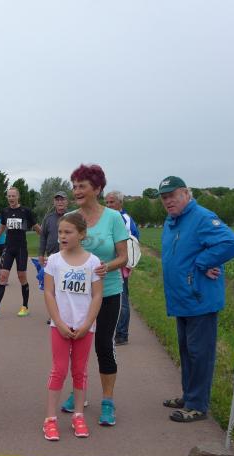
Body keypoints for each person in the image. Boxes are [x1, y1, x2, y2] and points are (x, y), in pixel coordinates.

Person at [158, 176, 234, 422]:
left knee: (199, 353)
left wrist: (203, 262)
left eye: (172, 195)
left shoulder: (202, 217)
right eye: (164, 197)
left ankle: (197, 405)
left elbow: (230, 243)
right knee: (187, 351)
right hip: (182, 298)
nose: (168, 201)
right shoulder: (172, 221)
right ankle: (189, 396)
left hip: (199, 298)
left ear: (186, 193)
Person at [62, 165, 128, 427]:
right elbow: (65, 251)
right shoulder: (71, 217)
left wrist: (105, 267)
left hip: (108, 290)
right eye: (74, 186)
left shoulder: (113, 217)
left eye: (82, 186)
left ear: (97, 189)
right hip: (78, 294)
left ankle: (108, 401)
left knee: (103, 345)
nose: (76, 191)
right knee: (76, 345)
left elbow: (123, 257)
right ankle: (78, 394)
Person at [42, 212, 103, 441]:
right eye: (60, 232)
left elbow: (97, 295)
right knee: (59, 370)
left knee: (80, 370)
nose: (62, 236)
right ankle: (50, 418)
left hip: (84, 328)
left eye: (68, 232)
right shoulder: (54, 261)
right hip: (60, 326)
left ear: (82, 234)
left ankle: (78, 415)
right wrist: (58, 322)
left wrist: (87, 324)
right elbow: (49, 292)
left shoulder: (93, 262)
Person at [0, 187, 41, 318]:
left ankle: (25, 306)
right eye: (9, 196)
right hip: (8, 247)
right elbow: (2, 227)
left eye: (13, 196)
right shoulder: (5, 211)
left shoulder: (25, 211)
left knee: (21, 276)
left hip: (21, 248)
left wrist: (45, 237)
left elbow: (36, 227)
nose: (11, 198)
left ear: (18, 197)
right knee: (3, 276)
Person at [104, 191, 140, 346]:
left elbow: (131, 242)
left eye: (112, 202)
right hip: (109, 264)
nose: (109, 205)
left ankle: (122, 334)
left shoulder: (124, 218)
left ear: (120, 203)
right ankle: (111, 331)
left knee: (122, 300)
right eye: (107, 202)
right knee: (109, 298)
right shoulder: (109, 217)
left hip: (120, 265)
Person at [38, 191, 69, 267]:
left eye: (62, 199)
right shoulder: (48, 218)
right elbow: (43, 237)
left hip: (69, 256)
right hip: (51, 256)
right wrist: (41, 254)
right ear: (54, 202)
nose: (60, 202)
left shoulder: (72, 217)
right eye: (57, 200)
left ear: (67, 202)